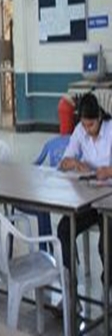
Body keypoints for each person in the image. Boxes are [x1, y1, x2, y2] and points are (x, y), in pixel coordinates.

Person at [57, 93, 112, 294]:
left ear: (99, 117)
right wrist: (76, 163)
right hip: (89, 197)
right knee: (64, 229)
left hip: (109, 200)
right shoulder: (80, 131)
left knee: (106, 246)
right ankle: (71, 289)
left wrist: (108, 171)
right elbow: (63, 163)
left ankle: (107, 290)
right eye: (84, 125)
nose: (88, 130)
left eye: (91, 125)